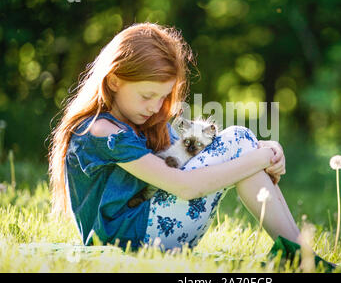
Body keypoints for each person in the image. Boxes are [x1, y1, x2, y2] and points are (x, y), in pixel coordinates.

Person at [47, 22, 317, 259]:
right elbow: (184, 186)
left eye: (163, 97)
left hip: (151, 232)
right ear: (115, 81)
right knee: (238, 139)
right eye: (146, 95)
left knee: (240, 140)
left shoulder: (140, 121)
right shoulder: (101, 130)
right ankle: (301, 255)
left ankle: (300, 253)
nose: (155, 106)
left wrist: (269, 148)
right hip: (130, 240)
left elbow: (197, 149)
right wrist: (258, 157)